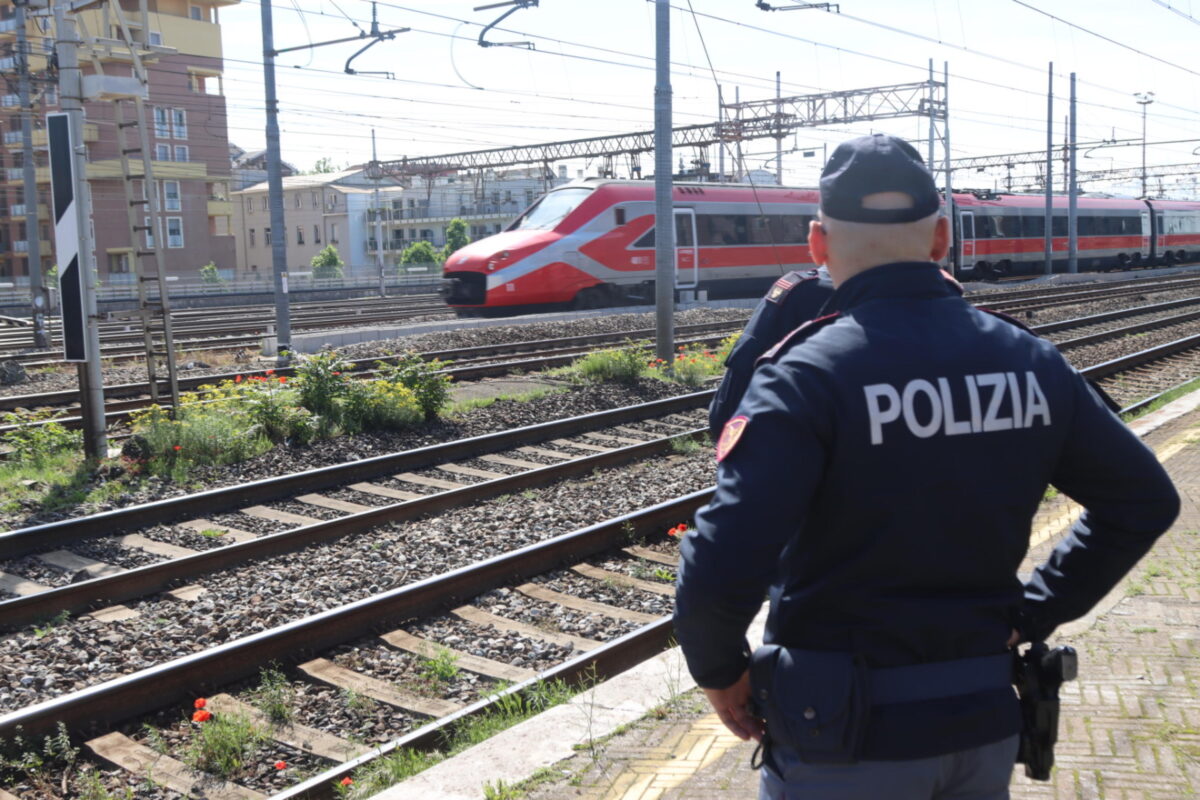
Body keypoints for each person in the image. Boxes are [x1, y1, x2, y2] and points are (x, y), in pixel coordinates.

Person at [673, 133, 1179, 800]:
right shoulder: (1030, 362)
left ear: (818, 246)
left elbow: (721, 565)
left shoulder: (805, 376)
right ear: (942, 239)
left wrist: (719, 672)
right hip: (979, 717)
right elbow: (1144, 500)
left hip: (840, 733)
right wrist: (1033, 611)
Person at [708, 266, 835, 437]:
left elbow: (733, 395)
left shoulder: (803, 292)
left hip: (801, 447)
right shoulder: (882, 299)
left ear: (817, 244)